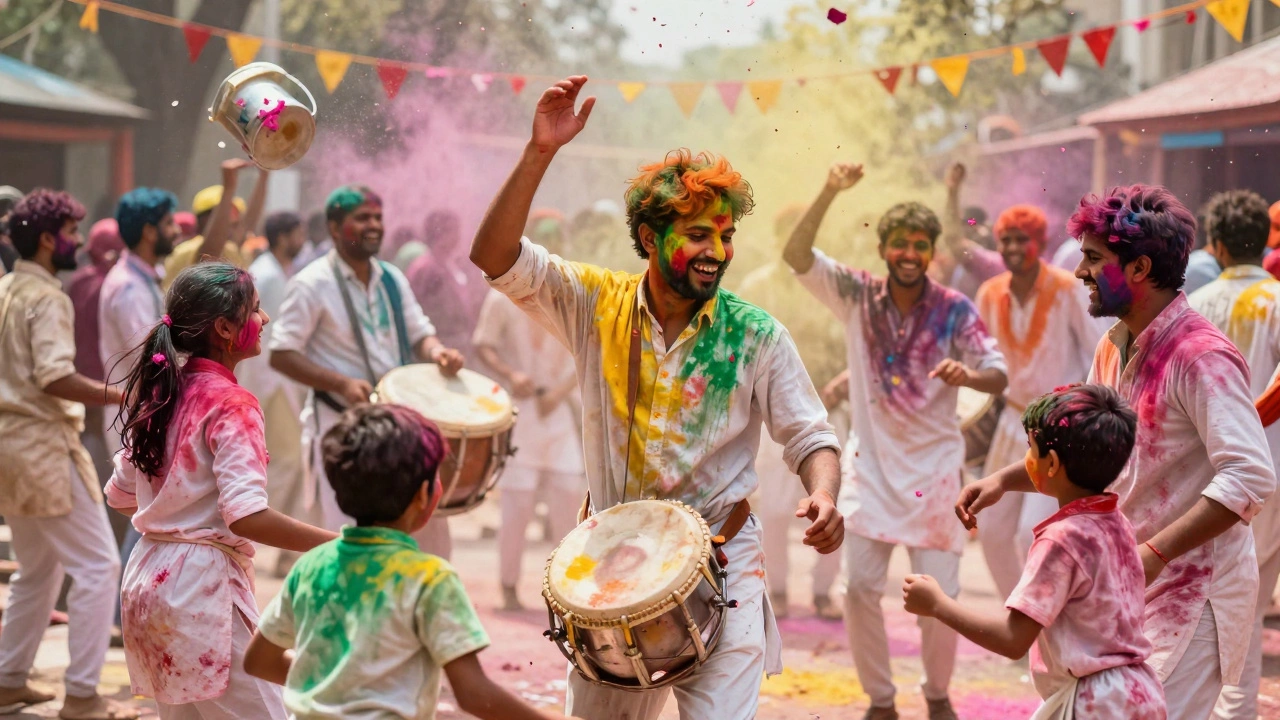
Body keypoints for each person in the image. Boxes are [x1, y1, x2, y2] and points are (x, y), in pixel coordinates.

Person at [470, 76, 844, 720]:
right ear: (649, 239)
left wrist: (824, 492)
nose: (717, 252)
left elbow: (811, 436)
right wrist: (540, 152)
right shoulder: (592, 303)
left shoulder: (755, 333)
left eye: (724, 236)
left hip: (724, 563)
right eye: (699, 234)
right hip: (614, 565)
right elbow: (494, 257)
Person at [958, 184, 1276, 720]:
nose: (1080, 272)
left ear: (1138, 267)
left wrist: (1152, 556)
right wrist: (1002, 481)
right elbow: (1082, 445)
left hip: (1195, 595)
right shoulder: (1113, 344)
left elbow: (1248, 476)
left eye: (1093, 258)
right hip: (1130, 588)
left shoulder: (1199, 354)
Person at [784, 161, 1007, 720]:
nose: (910, 254)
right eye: (900, 245)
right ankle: (881, 701)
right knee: (858, 587)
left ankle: (935, 693)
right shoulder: (857, 295)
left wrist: (968, 375)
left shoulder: (955, 309)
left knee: (940, 602)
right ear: (883, 248)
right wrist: (829, 189)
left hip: (934, 478)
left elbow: (998, 374)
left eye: (920, 245)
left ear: (931, 251)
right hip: (869, 471)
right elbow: (797, 256)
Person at [105, 262, 335, 719]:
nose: (264, 319)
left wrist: (174, 502)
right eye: (256, 310)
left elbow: (119, 493)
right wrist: (337, 545)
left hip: (147, 581)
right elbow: (246, 515)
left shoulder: (162, 393)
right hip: (199, 587)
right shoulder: (232, 403)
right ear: (227, 329)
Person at [244, 404, 575, 720]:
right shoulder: (430, 578)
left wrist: (338, 684)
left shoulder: (311, 566)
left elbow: (259, 660)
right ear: (422, 495)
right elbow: (473, 693)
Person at [906, 384, 1166, 719]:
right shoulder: (1116, 522)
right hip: (1140, 693)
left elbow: (1013, 639)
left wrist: (938, 605)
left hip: (1095, 705)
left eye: (1031, 449)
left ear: (1052, 463)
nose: (1027, 459)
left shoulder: (1060, 541)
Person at [0, 190, 137, 720]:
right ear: (45, 239)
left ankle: (9, 679)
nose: (77, 243)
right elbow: (53, 376)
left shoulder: (7, 288)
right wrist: (120, 394)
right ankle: (82, 694)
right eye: (70, 233)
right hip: (43, 448)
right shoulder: (47, 297)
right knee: (100, 566)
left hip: (12, 449)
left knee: (37, 569)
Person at [268, 185, 465, 549]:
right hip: (343, 433)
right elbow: (281, 353)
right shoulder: (311, 284)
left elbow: (422, 333)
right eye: (362, 218)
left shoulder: (392, 278)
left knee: (424, 530)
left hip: (396, 429)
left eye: (377, 217)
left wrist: (438, 353)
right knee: (354, 538)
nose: (374, 225)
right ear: (333, 227)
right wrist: (341, 384)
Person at [970, 204, 1105, 603]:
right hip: (1011, 423)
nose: (1013, 247)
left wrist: (1087, 416)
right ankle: (1022, 616)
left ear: (1040, 243)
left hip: (1059, 429)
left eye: (1021, 239)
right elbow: (979, 357)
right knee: (992, 532)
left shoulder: (1068, 288)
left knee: (1037, 531)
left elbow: (1098, 350)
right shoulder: (989, 293)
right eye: (1006, 240)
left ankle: (1044, 621)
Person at [1185, 189, 1280, 720]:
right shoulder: (1278, 299)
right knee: (1251, 602)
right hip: (1270, 472)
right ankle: (1234, 712)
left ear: (1216, 244)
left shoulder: (1194, 308)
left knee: (1206, 605)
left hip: (1209, 478)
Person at [472, 213, 585, 611]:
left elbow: (586, 347)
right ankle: (507, 588)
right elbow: (484, 344)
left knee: (569, 502)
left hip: (560, 412)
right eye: (543, 238)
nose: (550, 245)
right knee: (516, 507)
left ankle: (567, 590)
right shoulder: (502, 288)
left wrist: (562, 390)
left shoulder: (574, 286)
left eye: (557, 238)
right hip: (522, 412)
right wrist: (511, 374)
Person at [240, 211, 312, 575]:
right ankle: (250, 534)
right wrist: (257, 393)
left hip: (276, 384)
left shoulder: (275, 272)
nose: (303, 238)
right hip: (269, 383)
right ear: (283, 237)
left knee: (291, 461)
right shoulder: (267, 276)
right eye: (298, 232)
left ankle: (282, 551)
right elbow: (257, 339)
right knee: (285, 461)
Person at [100, 188, 181, 447]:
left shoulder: (147, 276)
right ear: (148, 231)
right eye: (169, 223)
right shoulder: (129, 288)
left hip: (148, 413)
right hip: (135, 421)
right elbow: (150, 357)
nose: (177, 231)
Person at [162, 159, 268, 288]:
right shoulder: (188, 250)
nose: (233, 224)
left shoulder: (231, 248)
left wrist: (264, 176)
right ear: (206, 219)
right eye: (226, 217)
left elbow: (248, 223)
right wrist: (228, 188)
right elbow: (210, 254)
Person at [407, 209, 485, 359]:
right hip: (437, 344)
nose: (458, 236)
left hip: (460, 344)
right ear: (440, 232)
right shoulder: (425, 267)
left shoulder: (452, 264)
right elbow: (414, 307)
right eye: (454, 230)